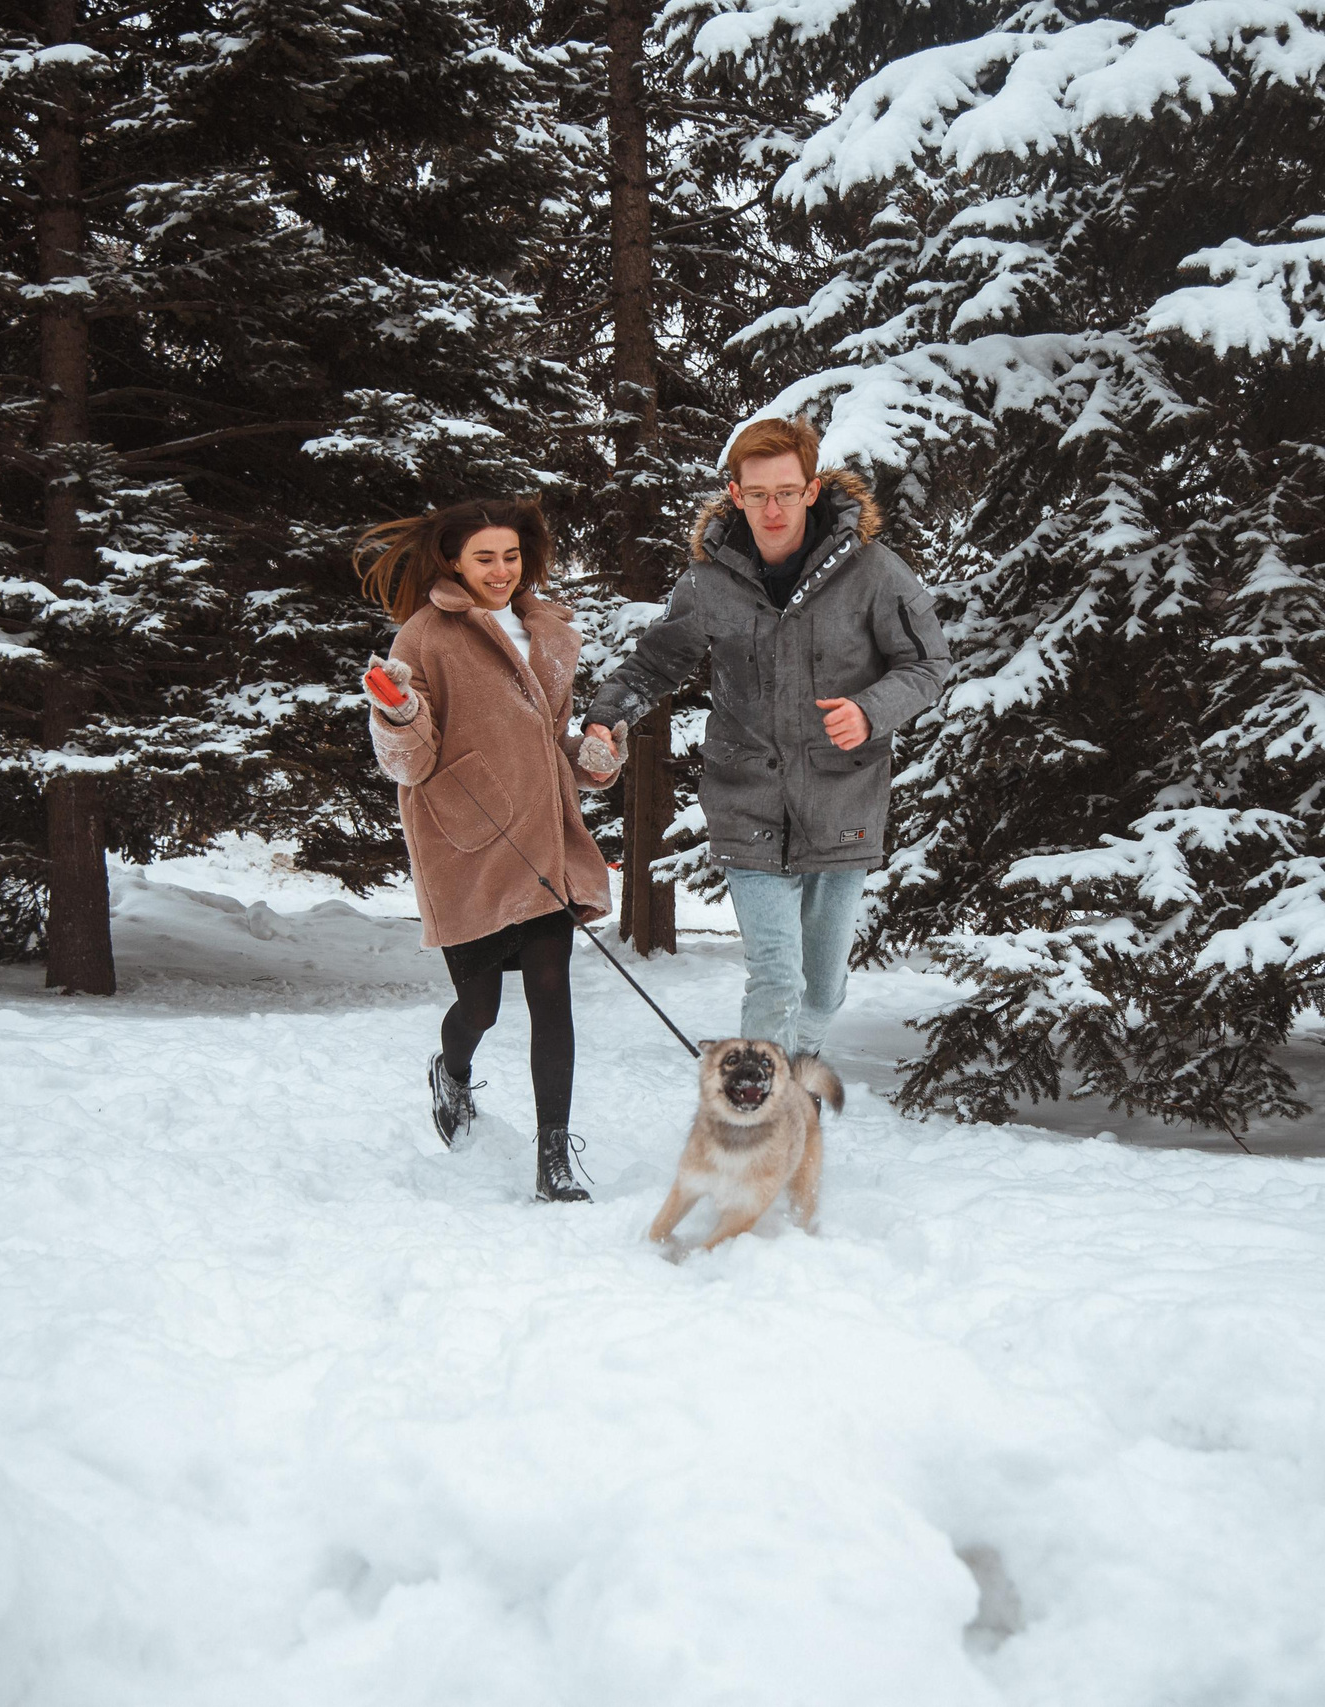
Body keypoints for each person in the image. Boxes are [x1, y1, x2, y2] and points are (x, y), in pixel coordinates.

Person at [583, 416, 949, 1062]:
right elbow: (653, 666)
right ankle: (762, 1117)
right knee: (776, 977)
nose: (772, 508)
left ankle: (797, 1066)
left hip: (842, 801)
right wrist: (604, 719)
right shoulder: (709, 582)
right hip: (745, 798)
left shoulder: (873, 572)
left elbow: (927, 666)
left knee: (822, 990)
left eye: (786, 491)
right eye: (757, 494)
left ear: (811, 490)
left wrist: (869, 711)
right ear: (735, 493)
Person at [359, 497, 623, 1202]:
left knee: (552, 992)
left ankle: (555, 1161)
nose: (501, 570)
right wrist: (400, 713)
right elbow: (409, 763)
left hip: (543, 843)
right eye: (485, 557)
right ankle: (451, 1070)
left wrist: (592, 756)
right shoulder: (423, 637)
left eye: (511, 555)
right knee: (480, 1008)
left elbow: (551, 745)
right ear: (452, 559)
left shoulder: (548, 630)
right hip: (467, 845)